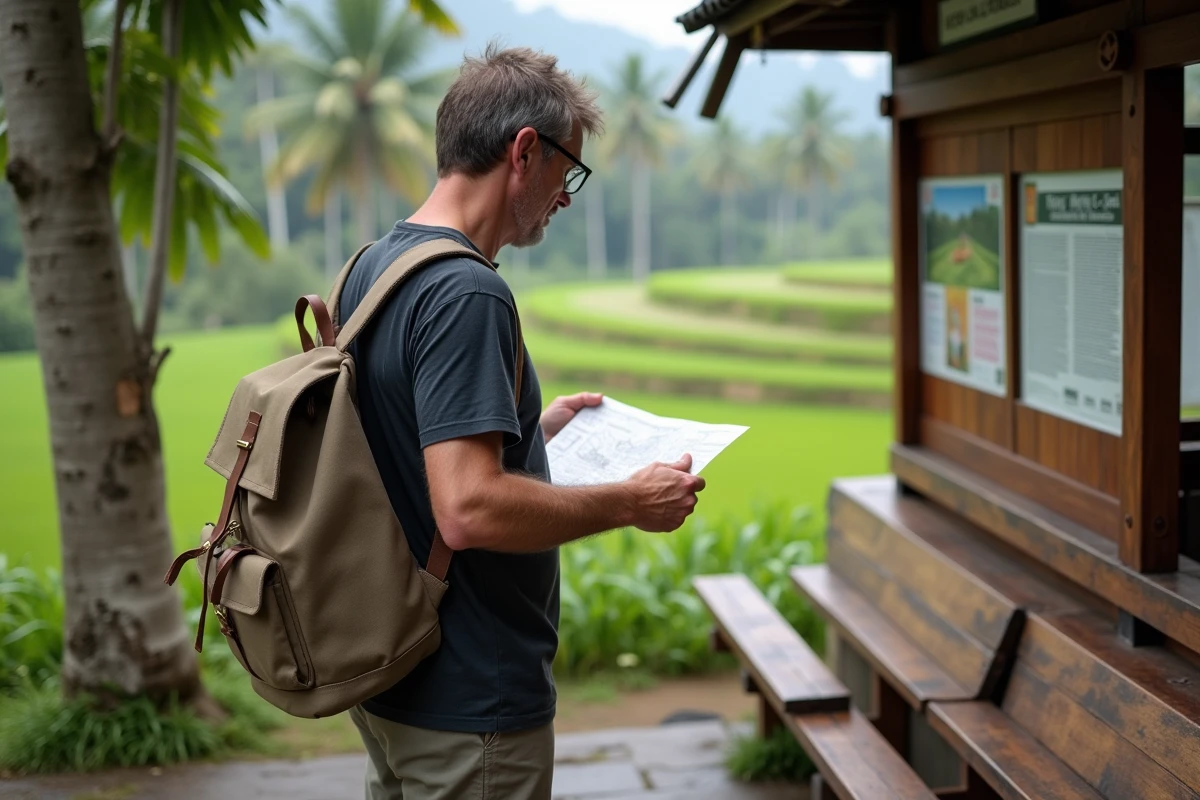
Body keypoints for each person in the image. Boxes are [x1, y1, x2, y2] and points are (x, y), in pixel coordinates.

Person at [338, 44, 706, 800]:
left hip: (392, 678)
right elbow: (467, 508)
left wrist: (530, 438)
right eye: (568, 169)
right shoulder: (467, 293)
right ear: (525, 151)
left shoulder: (375, 266)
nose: (566, 196)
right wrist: (629, 502)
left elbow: (405, 456)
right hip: (472, 697)